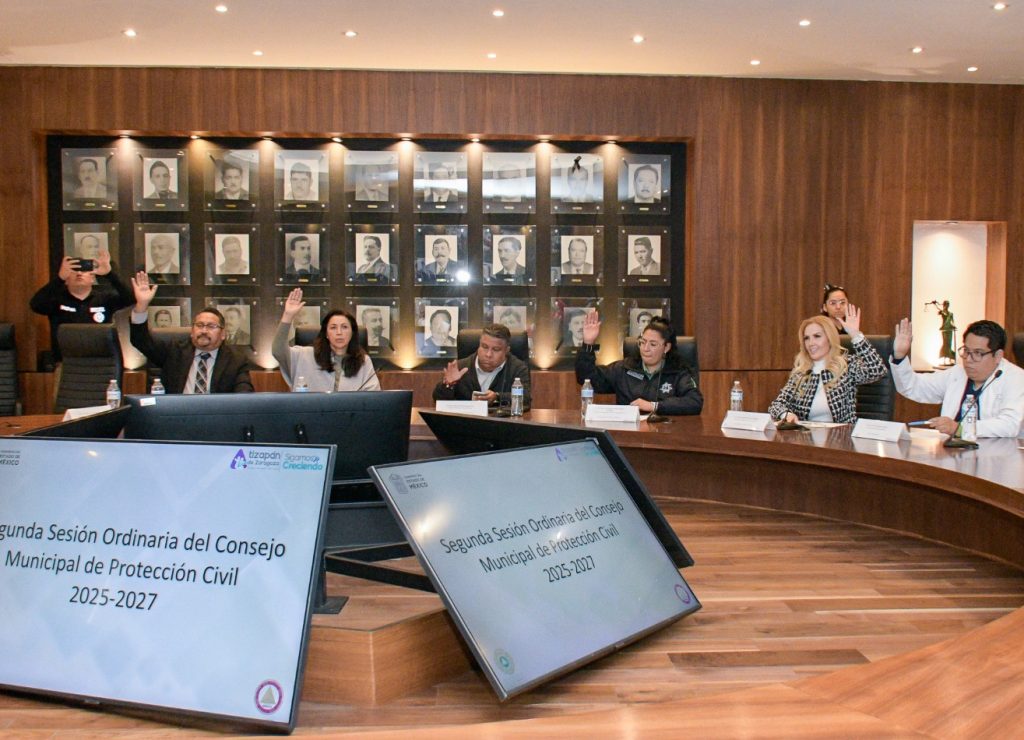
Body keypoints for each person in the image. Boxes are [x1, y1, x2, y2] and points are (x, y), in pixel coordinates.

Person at [889, 318, 1024, 437]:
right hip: (953, 450)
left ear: (998, 356)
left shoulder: (1016, 378)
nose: (968, 359)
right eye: (966, 351)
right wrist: (899, 356)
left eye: (978, 353)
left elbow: (1009, 425)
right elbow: (913, 387)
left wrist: (959, 428)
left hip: (997, 454)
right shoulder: (958, 373)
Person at [129, 272, 254, 394]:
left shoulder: (236, 361)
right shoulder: (174, 351)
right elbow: (140, 340)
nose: (204, 331)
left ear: (223, 334)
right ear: (192, 332)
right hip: (178, 408)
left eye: (211, 326)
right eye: (199, 325)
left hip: (215, 409)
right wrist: (141, 305)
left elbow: (244, 395)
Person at [769, 305, 886, 424]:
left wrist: (856, 335)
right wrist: (786, 414)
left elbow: (877, 370)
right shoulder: (801, 372)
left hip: (842, 434)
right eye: (806, 338)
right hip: (806, 434)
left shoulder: (846, 365)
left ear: (830, 338)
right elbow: (777, 405)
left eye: (817, 336)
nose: (811, 343)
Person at [576, 312, 702, 415]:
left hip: (664, 433)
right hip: (629, 433)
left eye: (653, 344)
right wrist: (588, 344)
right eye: (642, 342)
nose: (645, 348)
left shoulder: (678, 372)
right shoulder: (625, 368)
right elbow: (586, 378)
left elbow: (694, 402)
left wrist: (654, 406)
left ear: (666, 347)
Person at [29, 253, 133, 363]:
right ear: (66, 278)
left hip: (100, 360)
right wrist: (59, 279)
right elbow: (35, 305)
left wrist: (109, 274)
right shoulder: (56, 300)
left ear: (92, 278)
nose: (79, 273)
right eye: (74, 270)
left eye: (84, 270)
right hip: (65, 361)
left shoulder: (104, 299)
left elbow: (130, 299)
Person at [273, 288, 379, 392]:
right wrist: (288, 316)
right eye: (333, 327)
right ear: (326, 334)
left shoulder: (364, 362)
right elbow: (278, 351)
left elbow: (374, 397)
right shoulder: (303, 356)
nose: (339, 332)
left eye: (344, 327)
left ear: (352, 333)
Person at [433, 323, 531, 411]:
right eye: (484, 347)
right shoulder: (460, 367)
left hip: (501, 423)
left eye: (496, 349)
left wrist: (497, 397)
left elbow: (526, 399)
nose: (488, 354)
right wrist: (447, 385)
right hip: (465, 422)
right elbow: (438, 401)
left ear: (506, 350)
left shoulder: (517, 368)